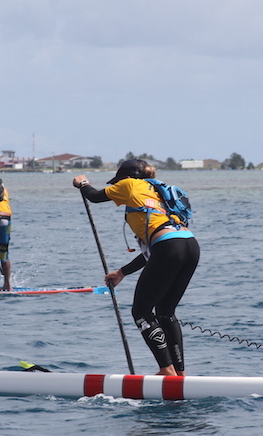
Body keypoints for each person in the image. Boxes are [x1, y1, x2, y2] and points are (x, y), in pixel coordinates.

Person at [73, 159, 200, 376]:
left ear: (124, 177)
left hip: (168, 246)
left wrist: (82, 183)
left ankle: (166, 370)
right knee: (165, 312)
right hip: (190, 245)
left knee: (141, 311)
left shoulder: (129, 183)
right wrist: (122, 272)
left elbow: (94, 196)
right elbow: (154, 252)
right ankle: (179, 373)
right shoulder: (156, 191)